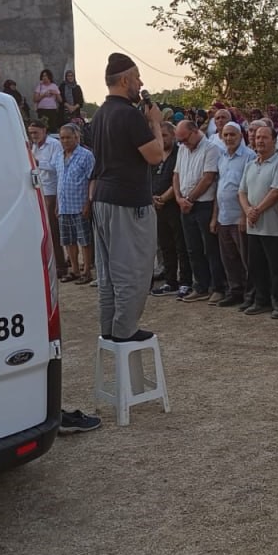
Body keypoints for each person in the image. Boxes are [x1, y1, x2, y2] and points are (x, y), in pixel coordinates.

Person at [87, 53, 165, 344]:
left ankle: (109, 327)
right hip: (128, 202)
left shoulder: (100, 114)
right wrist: (155, 124)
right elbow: (156, 155)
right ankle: (125, 330)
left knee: (108, 271)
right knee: (133, 269)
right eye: (137, 78)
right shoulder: (130, 114)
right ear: (124, 80)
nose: (140, 83)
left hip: (104, 198)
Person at [239, 125, 278, 318]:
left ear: (274, 140)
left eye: (264, 138)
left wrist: (257, 210)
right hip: (254, 225)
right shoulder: (250, 164)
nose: (260, 141)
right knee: (257, 266)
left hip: (273, 226)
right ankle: (261, 301)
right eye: (257, 137)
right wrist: (247, 211)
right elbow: (242, 191)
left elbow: (276, 191)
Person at [173, 119, 225, 304]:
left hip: (203, 204)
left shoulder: (211, 149)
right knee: (193, 248)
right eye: (180, 140)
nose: (183, 143)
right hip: (185, 204)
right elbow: (176, 175)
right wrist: (179, 197)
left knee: (210, 248)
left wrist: (190, 199)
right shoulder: (182, 149)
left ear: (195, 131)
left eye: (185, 139)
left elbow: (208, 178)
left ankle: (218, 287)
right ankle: (201, 286)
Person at [212, 121, 255, 309]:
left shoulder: (249, 156)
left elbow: (250, 189)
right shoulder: (221, 157)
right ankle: (235, 291)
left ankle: (251, 294)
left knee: (246, 258)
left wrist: (244, 216)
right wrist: (215, 217)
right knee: (229, 258)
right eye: (226, 135)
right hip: (224, 217)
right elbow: (218, 189)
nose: (229, 138)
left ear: (241, 136)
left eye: (233, 135)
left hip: (240, 216)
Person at [150, 122, 191, 298]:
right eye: (159, 136)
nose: (162, 139)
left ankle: (186, 282)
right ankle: (170, 281)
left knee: (181, 245)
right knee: (166, 246)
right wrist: (152, 198)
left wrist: (164, 198)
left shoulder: (178, 153)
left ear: (173, 136)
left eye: (165, 135)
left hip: (174, 206)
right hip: (158, 207)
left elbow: (178, 179)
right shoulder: (156, 155)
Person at [28, 119, 69, 281]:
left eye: (35, 133)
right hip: (39, 189)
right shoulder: (33, 146)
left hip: (51, 190)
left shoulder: (54, 145)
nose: (33, 136)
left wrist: (38, 162)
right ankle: (52, 263)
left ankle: (61, 266)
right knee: (43, 230)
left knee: (53, 229)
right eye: (31, 133)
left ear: (44, 130)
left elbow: (57, 167)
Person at [56, 124, 95, 284]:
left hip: (80, 204)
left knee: (84, 240)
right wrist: (58, 204)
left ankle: (87, 270)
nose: (64, 141)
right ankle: (75, 270)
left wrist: (88, 202)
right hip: (64, 206)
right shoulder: (59, 156)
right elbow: (59, 180)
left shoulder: (86, 155)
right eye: (62, 138)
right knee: (68, 240)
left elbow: (92, 179)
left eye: (68, 137)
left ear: (76, 138)